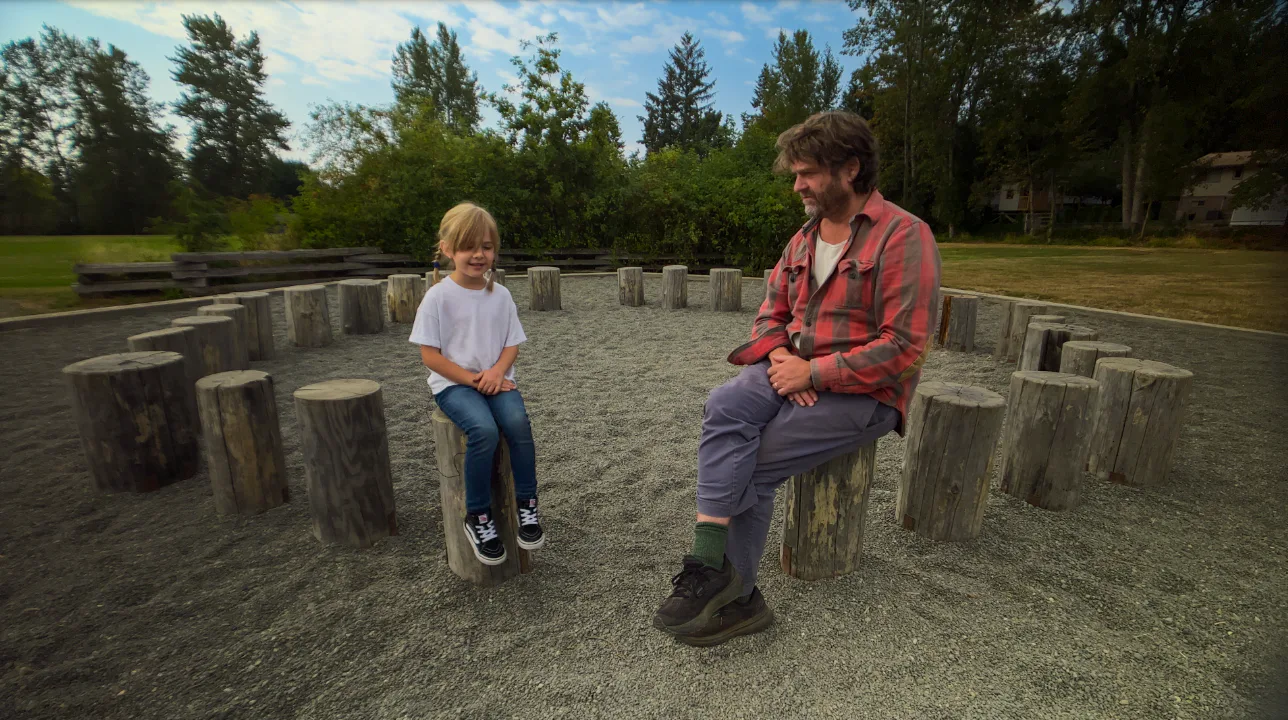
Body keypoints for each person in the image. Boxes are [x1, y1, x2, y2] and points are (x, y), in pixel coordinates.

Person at [652, 111, 941, 647]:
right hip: (790, 366)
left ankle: (738, 597)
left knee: (755, 462)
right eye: (795, 173)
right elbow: (769, 315)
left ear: (850, 168)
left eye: (806, 173)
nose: (797, 185)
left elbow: (906, 346)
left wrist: (817, 372)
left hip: (867, 391)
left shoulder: (905, 236)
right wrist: (785, 356)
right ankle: (709, 564)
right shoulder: (802, 240)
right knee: (725, 405)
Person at [409, 202, 544, 566]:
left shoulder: (500, 294)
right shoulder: (438, 296)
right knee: (483, 430)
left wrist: (498, 372)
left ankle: (527, 504)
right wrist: (473, 379)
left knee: (517, 424)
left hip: (496, 379)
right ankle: (478, 514)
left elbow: (511, 342)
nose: (478, 255)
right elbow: (430, 355)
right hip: (454, 384)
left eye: (486, 246)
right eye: (469, 247)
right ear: (447, 248)